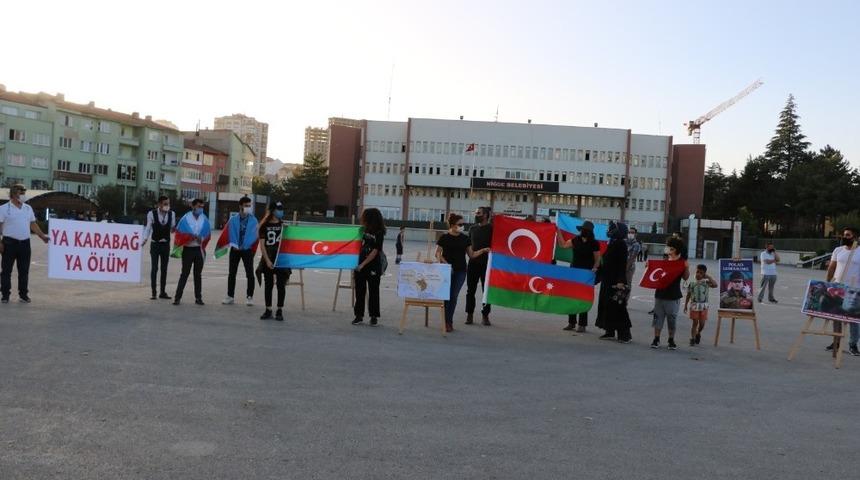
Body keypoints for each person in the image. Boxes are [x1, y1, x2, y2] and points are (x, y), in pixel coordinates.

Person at [436, 213, 489, 333]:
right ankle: (446, 321)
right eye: (460, 224)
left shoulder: (465, 238)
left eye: (463, 224)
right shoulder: (444, 237)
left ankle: (449, 322)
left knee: (453, 296)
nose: (462, 226)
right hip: (446, 271)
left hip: (460, 271)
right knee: (446, 296)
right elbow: (437, 254)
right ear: (453, 225)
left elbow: (472, 255)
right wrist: (445, 264)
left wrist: (483, 250)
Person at [0, 184, 49, 304]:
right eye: (20, 193)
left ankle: (23, 295)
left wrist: (42, 236)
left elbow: (33, 224)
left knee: (24, 271)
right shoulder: (4, 208)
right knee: (6, 271)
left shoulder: (28, 208)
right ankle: (5, 295)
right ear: (13, 194)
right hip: (9, 243)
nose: (23, 195)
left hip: (25, 244)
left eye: (23, 193)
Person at [557, 220, 600, 332]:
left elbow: (597, 259)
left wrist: (594, 269)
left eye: (583, 230)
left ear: (588, 232)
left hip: (586, 274)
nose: (581, 232)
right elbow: (562, 245)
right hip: (574, 273)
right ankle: (571, 323)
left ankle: (582, 325)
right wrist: (558, 232)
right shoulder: (576, 240)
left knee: (583, 299)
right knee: (572, 297)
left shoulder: (595, 243)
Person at [594, 221, 633, 343]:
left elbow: (622, 264)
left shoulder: (621, 244)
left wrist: (621, 281)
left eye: (611, 229)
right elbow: (605, 261)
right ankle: (609, 331)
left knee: (618, 307)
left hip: (616, 281)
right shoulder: (612, 243)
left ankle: (625, 335)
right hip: (608, 280)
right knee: (607, 306)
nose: (608, 230)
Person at [651, 237, 690, 350]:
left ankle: (671, 339)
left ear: (677, 250)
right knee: (658, 318)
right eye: (668, 247)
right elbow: (655, 274)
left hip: (673, 295)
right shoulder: (664, 261)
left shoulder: (681, 263)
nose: (668, 250)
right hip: (660, 294)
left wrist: (686, 268)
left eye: (671, 248)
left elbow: (685, 277)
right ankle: (656, 338)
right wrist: (649, 268)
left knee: (671, 319)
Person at [826, 227, 860, 356]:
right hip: (837, 287)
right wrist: (827, 282)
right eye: (844, 235)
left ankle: (853, 344)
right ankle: (836, 341)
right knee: (836, 316)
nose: (845, 237)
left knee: (854, 319)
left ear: (855, 237)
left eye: (848, 235)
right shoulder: (838, 250)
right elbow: (832, 267)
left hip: (854, 290)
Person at [352, 208, 386, 326]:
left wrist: (362, 264)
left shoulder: (379, 232)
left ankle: (374, 316)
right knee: (360, 291)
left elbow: (376, 250)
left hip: (373, 266)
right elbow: (354, 244)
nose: (362, 219)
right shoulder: (362, 230)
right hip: (359, 264)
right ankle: (358, 315)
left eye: (364, 217)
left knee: (373, 291)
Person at [173, 199, 210, 306]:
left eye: (202, 207)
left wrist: (201, 239)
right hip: (188, 249)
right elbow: (178, 233)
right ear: (192, 206)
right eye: (199, 206)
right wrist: (188, 237)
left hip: (199, 249)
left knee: (197, 275)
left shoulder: (204, 219)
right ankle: (177, 297)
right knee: (184, 274)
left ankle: (198, 298)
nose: (200, 209)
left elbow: (207, 234)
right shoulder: (185, 219)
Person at [258, 201, 290, 321]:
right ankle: (268, 309)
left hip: (282, 258)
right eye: (278, 209)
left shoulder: (284, 226)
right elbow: (262, 245)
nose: (281, 211)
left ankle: (279, 309)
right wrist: (267, 260)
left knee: (281, 285)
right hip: (269, 257)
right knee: (268, 284)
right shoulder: (264, 226)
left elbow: (289, 243)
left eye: (281, 209)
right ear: (272, 210)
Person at [223, 196, 259, 306]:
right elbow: (229, 233)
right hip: (235, 249)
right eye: (246, 206)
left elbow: (255, 235)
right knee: (232, 273)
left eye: (249, 206)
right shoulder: (233, 219)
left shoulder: (253, 220)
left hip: (247, 250)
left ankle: (249, 296)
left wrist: (248, 247)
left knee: (250, 274)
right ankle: (230, 296)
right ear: (240, 206)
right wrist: (233, 245)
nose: (248, 208)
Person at [142, 196, 176, 300]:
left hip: (165, 244)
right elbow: (148, 227)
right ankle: (153, 292)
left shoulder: (172, 214)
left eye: (168, 204)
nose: (167, 206)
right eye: (165, 204)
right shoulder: (151, 214)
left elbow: (172, 228)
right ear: (159, 204)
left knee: (164, 269)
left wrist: (175, 230)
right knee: (154, 268)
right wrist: (144, 239)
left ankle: (162, 292)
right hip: (155, 244)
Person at [465, 206, 493, 326]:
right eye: (476, 213)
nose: (476, 215)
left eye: (479, 213)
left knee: (486, 291)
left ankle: (485, 315)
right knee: (470, 290)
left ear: (485, 215)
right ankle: (469, 314)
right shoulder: (472, 228)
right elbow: (468, 244)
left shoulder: (492, 228)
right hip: (473, 263)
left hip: (488, 264)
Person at [684, 264, 718, 346]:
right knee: (695, 322)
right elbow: (688, 294)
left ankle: (698, 333)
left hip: (703, 306)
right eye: (697, 272)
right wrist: (685, 305)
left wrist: (708, 277)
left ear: (704, 274)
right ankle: (692, 338)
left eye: (701, 273)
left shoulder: (706, 282)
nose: (698, 274)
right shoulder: (692, 282)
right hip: (694, 305)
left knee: (702, 324)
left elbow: (715, 285)